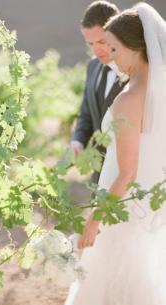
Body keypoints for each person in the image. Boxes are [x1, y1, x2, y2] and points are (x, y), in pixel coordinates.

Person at [61, 3, 166, 305]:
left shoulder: (128, 99)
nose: (109, 54)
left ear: (137, 48)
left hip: (118, 205)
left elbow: (126, 173)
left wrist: (93, 221)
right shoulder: (155, 91)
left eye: (114, 48)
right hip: (146, 203)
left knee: (107, 285)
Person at [71, 1, 128, 184]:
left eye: (101, 41)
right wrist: (78, 140)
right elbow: (87, 111)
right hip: (98, 174)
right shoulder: (93, 66)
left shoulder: (134, 73)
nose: (96, 50)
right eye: (90, 43)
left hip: (126, 174)